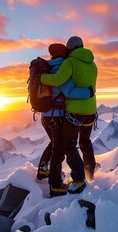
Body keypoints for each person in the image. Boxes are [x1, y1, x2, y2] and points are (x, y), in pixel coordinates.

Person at [41, 36, 98, 194]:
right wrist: (89, 93)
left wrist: (42, 78)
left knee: (69, 146)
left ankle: (79, 180)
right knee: (85, 143)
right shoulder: (93, 64)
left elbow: (60, 81)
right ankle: (90, 173)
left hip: (74, 112)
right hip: (91, 111)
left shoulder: (70, 62)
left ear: (70, 49)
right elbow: (89, 86)